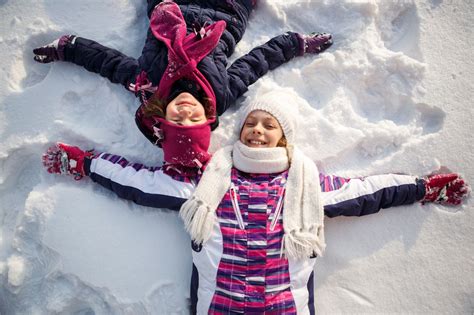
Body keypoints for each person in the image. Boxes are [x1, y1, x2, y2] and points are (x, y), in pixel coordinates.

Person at [42, 90, 470, 314]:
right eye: (251, 124)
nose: (257, 131)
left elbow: (367, 192)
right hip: (220, 304)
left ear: (284, 139)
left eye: (269, 126)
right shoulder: (209, 180)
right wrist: (85, 163)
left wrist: (422, 188)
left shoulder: (302, 185)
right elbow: (140, 183)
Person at [32, 0, 333, 177]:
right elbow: (256, 63)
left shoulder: (148, 85)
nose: (187, 112)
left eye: (177, 120)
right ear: (207, 119)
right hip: (227, 8)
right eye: (195, 120)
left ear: (162, 116)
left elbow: (109, 64)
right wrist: (295, 44)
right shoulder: (220, 94)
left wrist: (68, 48)